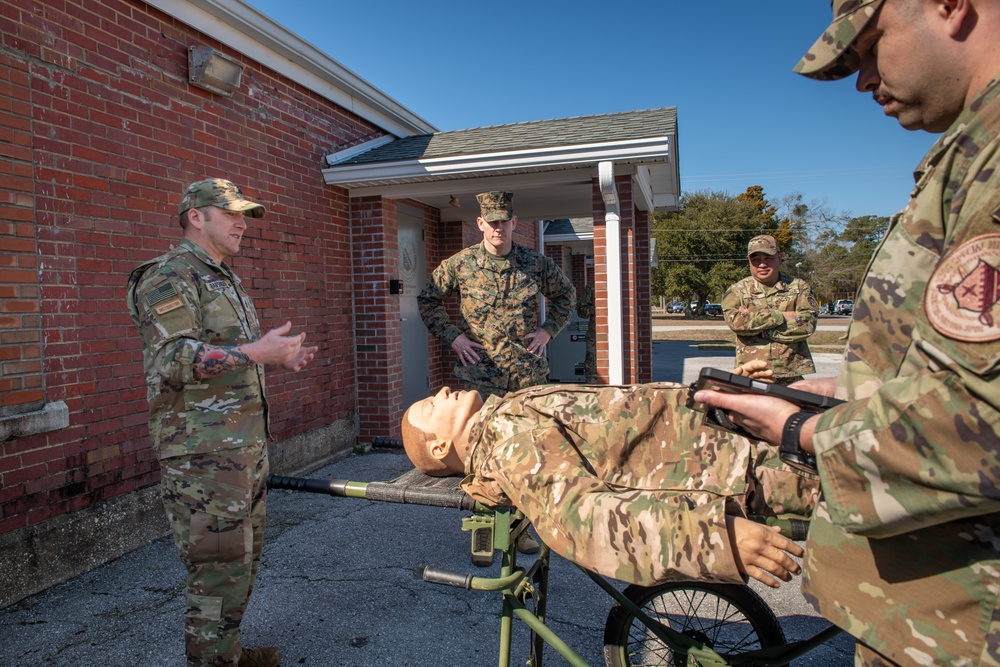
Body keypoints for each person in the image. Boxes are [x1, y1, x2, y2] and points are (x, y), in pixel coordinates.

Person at [696, 1, 1000, 664]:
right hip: (928, 616)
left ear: (947, 6)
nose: (864, 80)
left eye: (870, 46)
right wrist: (852, 386)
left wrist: (799, 429)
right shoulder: (969, 159)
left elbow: (979, 421)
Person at [400, 361, 820, 589]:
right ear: (439, 447)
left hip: (733, 431)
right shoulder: (508, 449)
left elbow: (627, 414)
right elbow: (585, 520)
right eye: (430, 407)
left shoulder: (505, 413)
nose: (439, 392)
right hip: (748, 468)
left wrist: (713, 398)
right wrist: (713, 539)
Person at [126, 178, 317, 667]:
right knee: (215, 571)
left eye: (245, 215)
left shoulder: (223, 277)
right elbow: (172, 357)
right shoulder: (168, 276)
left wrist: (276, 359)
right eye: (231, 213)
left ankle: (225, 654)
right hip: (202, 458)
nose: (242, 223)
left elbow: (228, 357)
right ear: (196, 216)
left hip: (241, 451)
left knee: (239, 565)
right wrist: (258, 351)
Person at [418, 191, 576, 554]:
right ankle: (485, 530)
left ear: (514, 223)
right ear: (480, 224)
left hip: (526, 379)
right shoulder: (460, 265)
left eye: (504, 221)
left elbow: (566, 296)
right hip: (481, 380)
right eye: (491, 222)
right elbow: (428, 300)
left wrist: (547, 330)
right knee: (481, 456)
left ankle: (521, 530)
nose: (497, 228)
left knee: (525, 456)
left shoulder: (534, 263)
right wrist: (453, 337)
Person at [721, 235, 818, 385]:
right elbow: (737, 324)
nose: (762, 265)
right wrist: (782, 317)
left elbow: (807, 325)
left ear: (779, 257)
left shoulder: (799, 288)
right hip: (751, 373)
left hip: (789, 372)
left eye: (768, 258)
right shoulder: (737, 290)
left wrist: (762, 330)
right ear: (749, 262)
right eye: (756, 260)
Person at [574, 282, 599, 383]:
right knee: (591, 367)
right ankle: (592, 390)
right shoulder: (592, 287)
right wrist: (597, 309)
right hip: (594, 336)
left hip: (618, 335)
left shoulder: (622, 284)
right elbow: (581, 311)